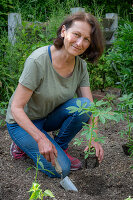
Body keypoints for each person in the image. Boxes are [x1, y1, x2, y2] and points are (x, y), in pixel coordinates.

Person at [6, 12, 104, 178]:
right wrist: (40, 139)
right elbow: (16, 107)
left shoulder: (80, 66)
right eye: (76, 35)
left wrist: (92, 138)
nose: (80, 43)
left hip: (48, 117)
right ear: (64, 31)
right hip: (21, 122)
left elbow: (91, 107)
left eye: (86, 39)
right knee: (61, 170)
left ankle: (59, 146)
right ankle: (20, 145)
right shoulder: (38, 60)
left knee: (85, 106)